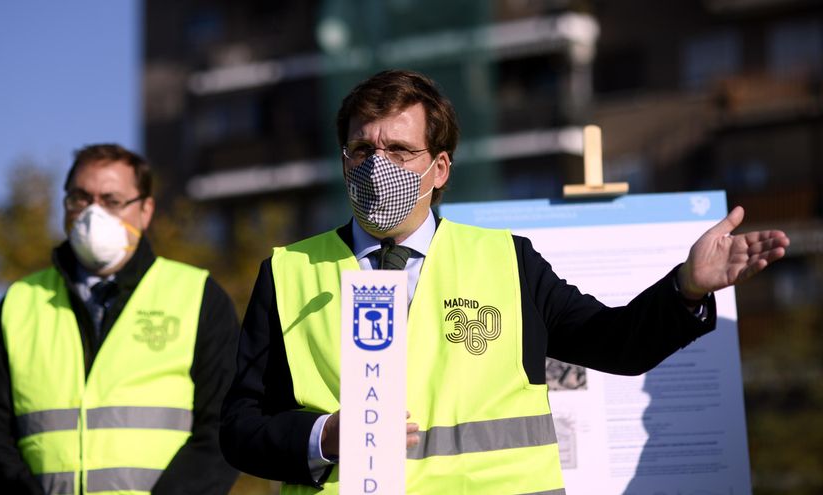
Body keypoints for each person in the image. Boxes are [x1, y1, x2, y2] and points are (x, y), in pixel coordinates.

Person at [218, 70, 790, 494]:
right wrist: (322, 437)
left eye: (398, 149)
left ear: (438, 169)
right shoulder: (289, 271)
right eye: (362, 150)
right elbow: (241, 427)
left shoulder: (506, 261)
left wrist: (686, 287)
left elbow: (617, 342)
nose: (376, 165)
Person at [0, 144, 240, 495]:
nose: (92, 214)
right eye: (80, 198)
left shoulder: (198, 296)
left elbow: (222, 430)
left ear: (145, 210)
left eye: (112, 201)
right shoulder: (20, 302)